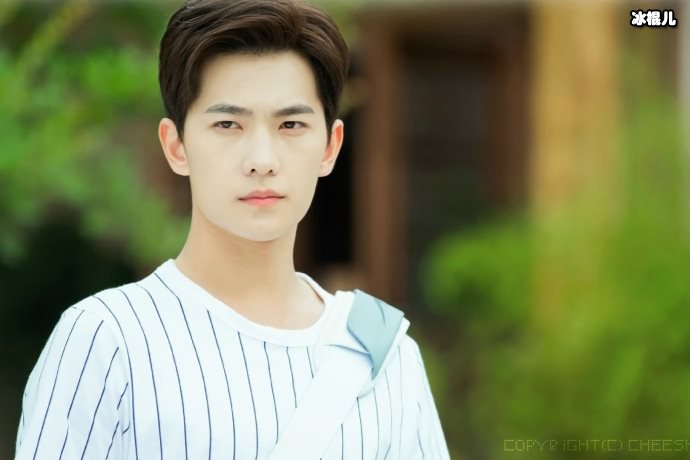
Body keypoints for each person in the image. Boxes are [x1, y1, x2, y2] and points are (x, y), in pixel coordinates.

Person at [14, 0, 450, 458]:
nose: (262, 160)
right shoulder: (107, 339)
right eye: (228, 124)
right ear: (176, 146)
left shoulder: (386, 356)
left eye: (291, 124)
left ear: (329, 147)